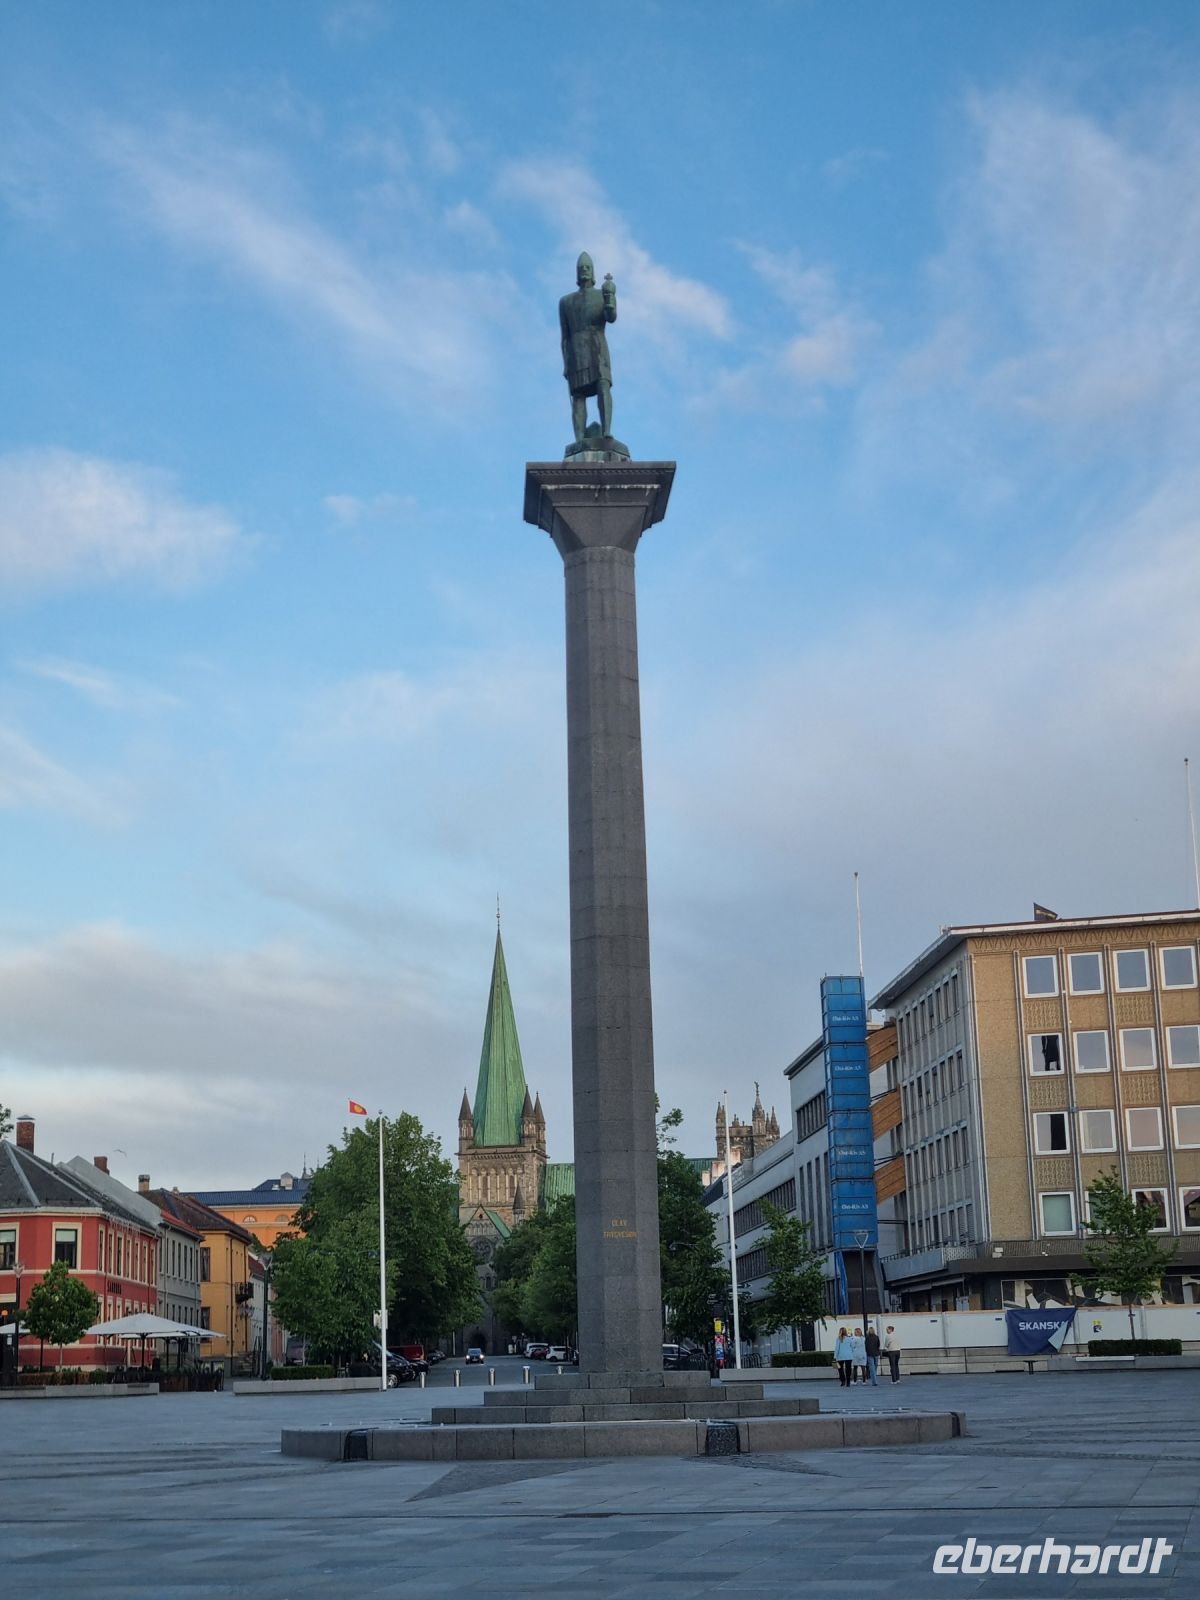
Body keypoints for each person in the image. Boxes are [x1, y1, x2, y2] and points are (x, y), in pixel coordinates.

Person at [559, 252, 617, 445]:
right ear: (577, 273)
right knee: (578, 395)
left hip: (597, 346)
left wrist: (610, 298)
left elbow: (611, 317)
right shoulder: (565, 302)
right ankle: (579, 438)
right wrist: (566, 362)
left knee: (603, 386)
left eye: (587, 268)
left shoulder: (602, 293)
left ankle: (607, 430)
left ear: (592, 272)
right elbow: (565, 337)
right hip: (576, 351)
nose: (584, 270)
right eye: (581, 268)